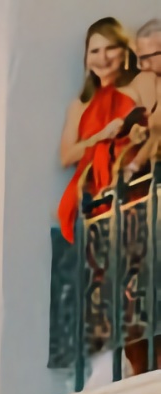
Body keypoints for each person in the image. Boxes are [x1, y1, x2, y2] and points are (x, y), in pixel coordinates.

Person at [62, 18, 142, 240]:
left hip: (131, 192)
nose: (103, 58)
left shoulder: (137, 92)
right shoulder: (79, 106)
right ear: (86, 59)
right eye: (95, 51)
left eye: (111, 48)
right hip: (91, 197)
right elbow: (66, 157)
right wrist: (101, 136)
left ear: (124, 53)